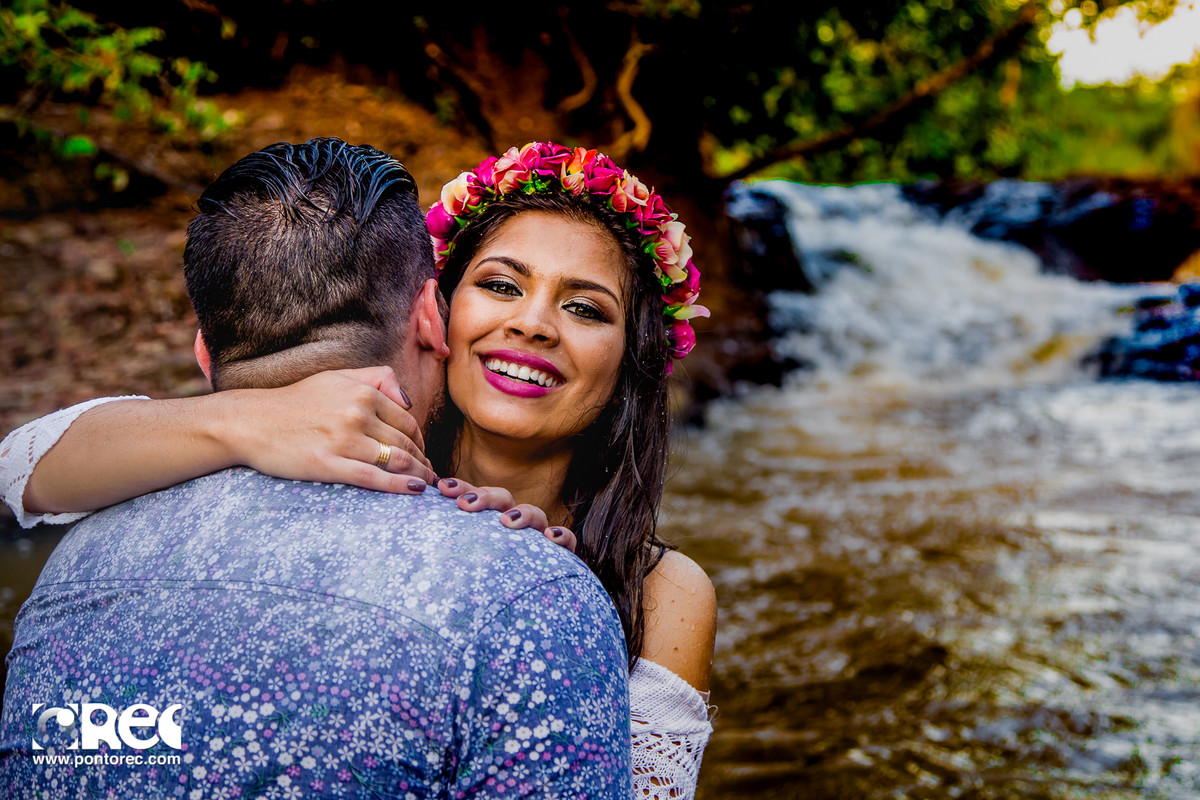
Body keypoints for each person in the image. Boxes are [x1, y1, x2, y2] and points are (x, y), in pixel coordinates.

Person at [1, 141, 718, 797]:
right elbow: (21, 468)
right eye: (501, 286)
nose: (533, 323)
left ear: (634, 356)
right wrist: (243, 419)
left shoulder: (666, 594)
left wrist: (545, 607)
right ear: (435, 313)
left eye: (586, 308)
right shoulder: (327, 448)